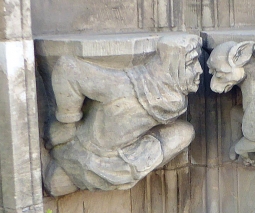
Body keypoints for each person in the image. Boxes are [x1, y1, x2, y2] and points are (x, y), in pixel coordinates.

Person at [44, 33, 202, 196]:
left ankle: (76, 175)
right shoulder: (126, 85)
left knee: (185, 133)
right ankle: (73, 173)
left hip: (119, 159)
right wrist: (68, 123)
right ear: (172, 65)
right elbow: (67, 68)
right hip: (86, 152)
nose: (199, 70)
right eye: (191, 63)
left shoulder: (169, 100)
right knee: (184, 133)